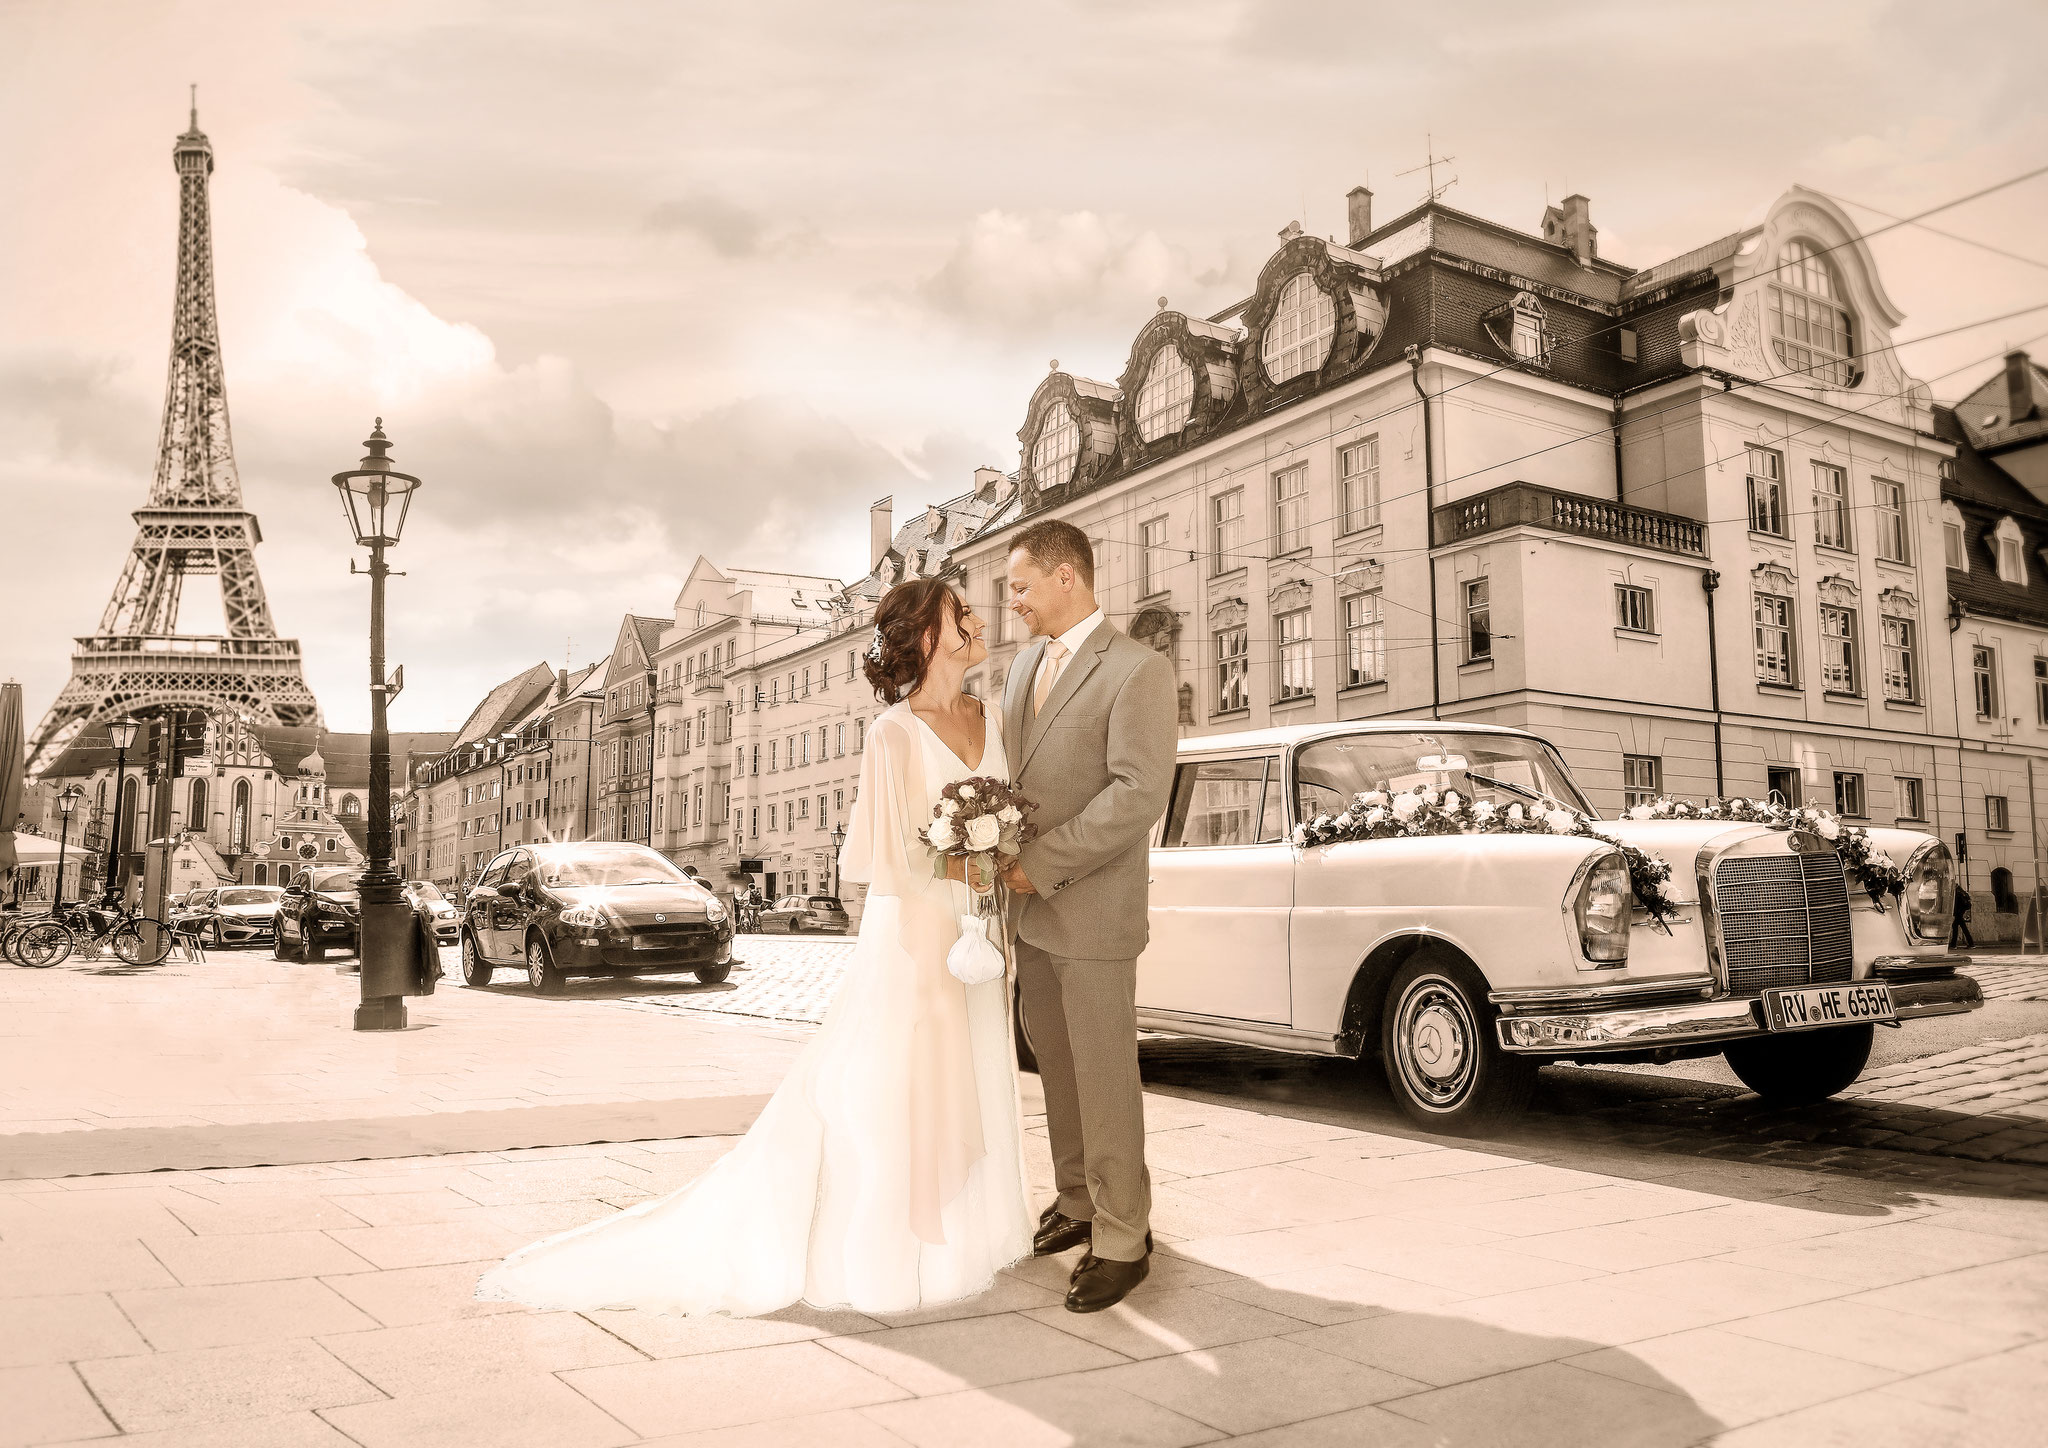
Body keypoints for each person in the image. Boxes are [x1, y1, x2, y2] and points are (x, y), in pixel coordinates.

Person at [478, 579, 1033, 1316]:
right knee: (914, 1080)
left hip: (983, 927)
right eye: (960, 613)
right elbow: (889, 862)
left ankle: (971, 1232)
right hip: (922, 934)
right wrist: (971, 857)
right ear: (927, 637)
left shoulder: (993, 718)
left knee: (975, 1073)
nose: (978, 618)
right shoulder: (892, 732)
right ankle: (906, 1241)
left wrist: (998, 854)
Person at [999, 519, 1178, 1314]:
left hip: (1093, 909)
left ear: (1067, 577)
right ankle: (1076, 1201)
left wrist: (1041, 863)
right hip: (1030, 915)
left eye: (1021, 587)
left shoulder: (1138, 669)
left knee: (1105, 1074)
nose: (1014, 605)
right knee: (1056, 1066)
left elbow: (1139, 794)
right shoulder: (1022, 669)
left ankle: (1122, 1236)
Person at [1951, 883, 1975, 948]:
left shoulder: (1957, 894)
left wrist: (1955, 912)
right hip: (1960, 913)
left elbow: (1956, 904)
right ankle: (1970, 943)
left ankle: (1954, 944)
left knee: (1959, 928)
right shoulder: (1962, 892)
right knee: (1959, 927)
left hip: (1959, 913)